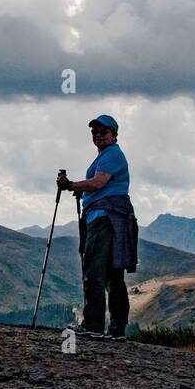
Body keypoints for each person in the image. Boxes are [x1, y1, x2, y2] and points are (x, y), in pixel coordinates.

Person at [57, 114, 138, 337]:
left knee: (94, 271)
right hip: (114, 218)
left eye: (103, 132)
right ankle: (116, 329)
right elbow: (100, 184)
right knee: (114, 275)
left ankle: (93, 325)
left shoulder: (111, 155)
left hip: (104, 218)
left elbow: (99, 182)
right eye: (94, 132)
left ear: (113, 135)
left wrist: (72, 184)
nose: (98, 136)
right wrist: (80, 188)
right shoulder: (110, 155)